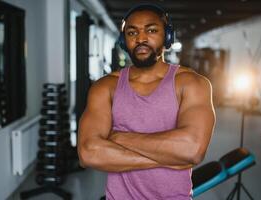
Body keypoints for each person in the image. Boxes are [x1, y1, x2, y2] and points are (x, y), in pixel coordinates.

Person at [77, 3, 215, 200]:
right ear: (124, 41)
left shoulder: (192, 83)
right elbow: (88, 153)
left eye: (151, 30)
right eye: (132, 33)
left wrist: (118, 138)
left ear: (167, 36)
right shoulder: (105, 87)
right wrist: (170, 159)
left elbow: (191, 149)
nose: (141, 39)